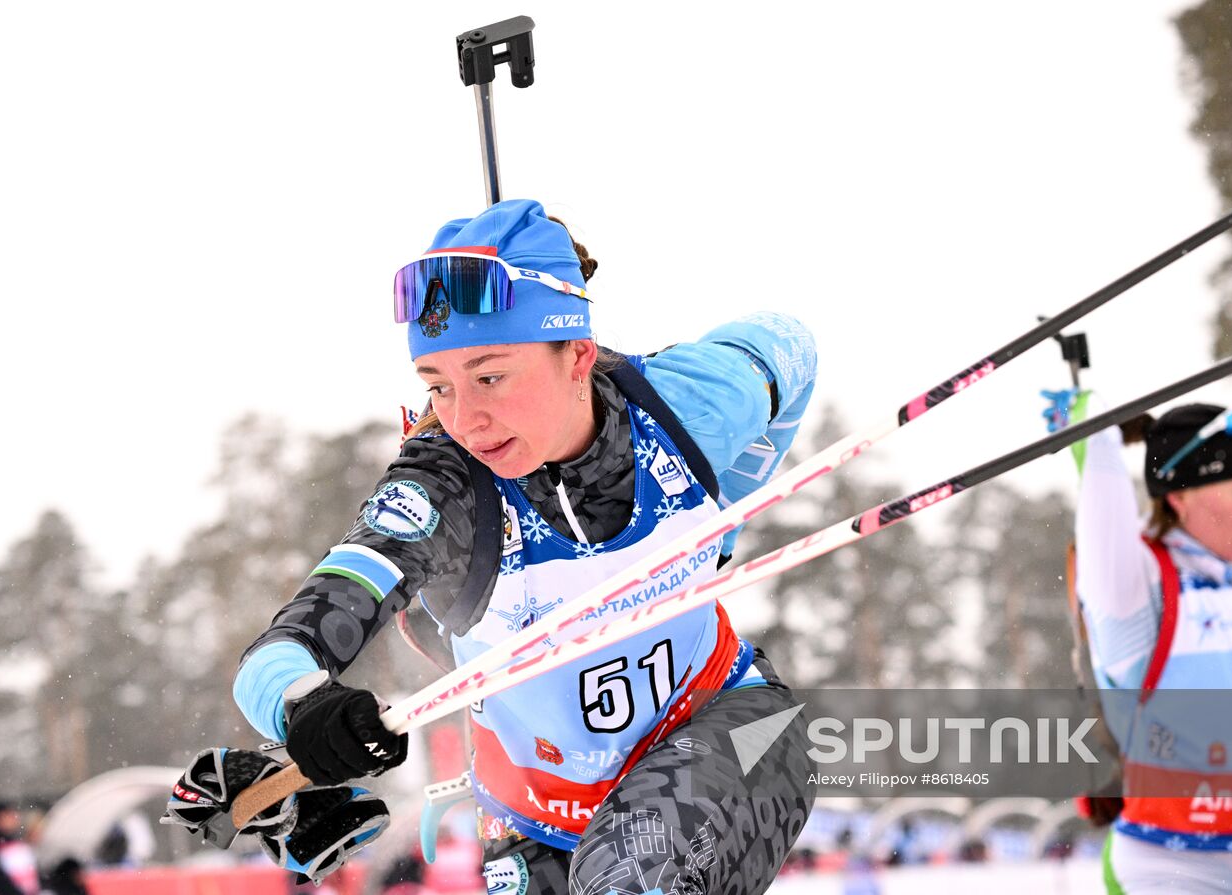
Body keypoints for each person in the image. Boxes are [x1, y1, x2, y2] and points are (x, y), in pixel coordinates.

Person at [230, 199, 818, 893]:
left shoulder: (683, 406)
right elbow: (279, 652)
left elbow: (791, 348)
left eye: (491, 376)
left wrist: (722, 520)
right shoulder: (444, 492)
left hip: (739, 728)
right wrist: (304, 704)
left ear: (578, 353)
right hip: (534, 820)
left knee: (628, 878)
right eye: (438, 386)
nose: (466, 417)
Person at [1046, 391, 1232, 894]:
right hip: (1170, 866)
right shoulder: (1138, 590)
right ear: (1181, 495)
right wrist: (1093, 437)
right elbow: (1105, 525)